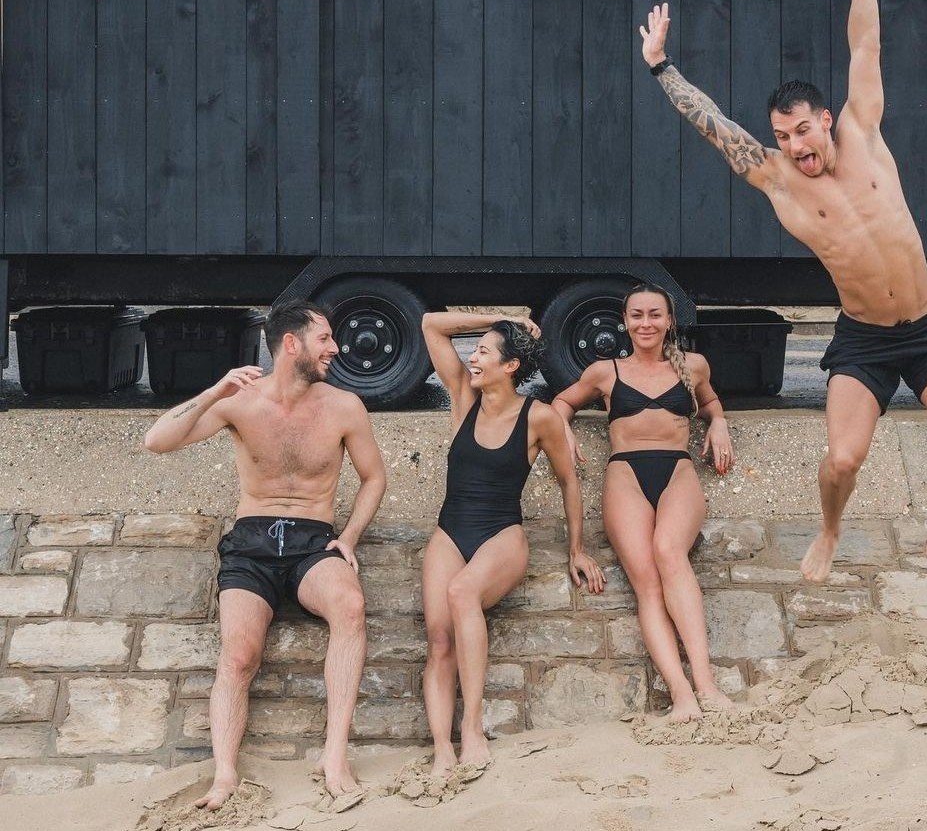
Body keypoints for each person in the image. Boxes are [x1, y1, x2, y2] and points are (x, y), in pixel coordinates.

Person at [639, 0, 927, 602]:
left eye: (802, 130)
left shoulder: (863, 131)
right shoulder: (777, 180)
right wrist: (661, 66)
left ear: (824, 120)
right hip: (863, 339)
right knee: (842, 461)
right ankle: (829, 529)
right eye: (783, 136)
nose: (795, 146)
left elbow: (865, 42)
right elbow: (714, 126)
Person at [144, 301, 387, 809]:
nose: (336, 347)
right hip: (252, 542)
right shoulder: (240, 400)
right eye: (325, 338)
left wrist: (349, 536)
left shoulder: (344, 406)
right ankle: (225, 775)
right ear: (292, 344)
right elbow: (156, 441)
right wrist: (216, 390)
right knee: (239, 654)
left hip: (313, 542)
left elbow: (373, 477)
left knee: (350, 606)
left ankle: (334, 756)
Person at [420, 311, 606, 776]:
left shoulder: (538, 417)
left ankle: (473, 729)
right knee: (439, 640)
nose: (473, 357)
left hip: (502, 534)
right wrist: (503, 318)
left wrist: (576, 549)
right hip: (450, 531)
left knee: (462, 592)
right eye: (475, 349)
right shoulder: (463, 396)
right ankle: (442, 747)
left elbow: (568, 480)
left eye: (484, 351)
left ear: (510, 366)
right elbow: (429, 325)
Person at [552, 283, 735, 722]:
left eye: (655, 314)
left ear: (669, 320)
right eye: (637, 315)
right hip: (625, 475)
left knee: (669, 551)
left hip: (677, 470)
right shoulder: (605, 370)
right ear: (625, 321)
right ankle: (681, 695)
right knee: (648, 584)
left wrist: (719, 422)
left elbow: (710, 401)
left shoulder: (693, 365)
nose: (646, 323)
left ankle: (706, 685)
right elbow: (562, 401)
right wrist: (563, 429)